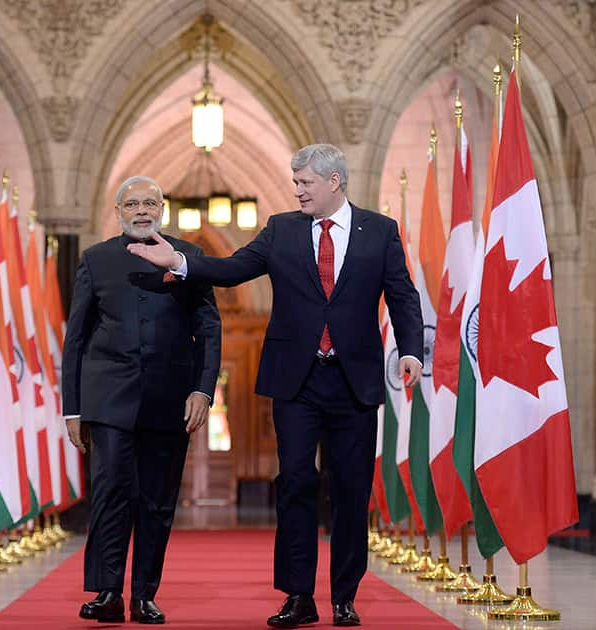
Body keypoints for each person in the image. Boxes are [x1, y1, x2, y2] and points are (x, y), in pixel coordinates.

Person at [127, 144, 423, 628]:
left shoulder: (381, 232)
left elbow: (403, 296)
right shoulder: (282, 230)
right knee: (296, 483)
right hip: (296, 381)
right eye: (295, 182)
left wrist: (410, 349)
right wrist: (178, 260)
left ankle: (345, 596)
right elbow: (231, 269)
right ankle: (298, 597)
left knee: (349, 491)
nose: (297, 190)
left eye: (305, 182)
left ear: (334, 182)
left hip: (354, 382)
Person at [62, 176, 222, 625]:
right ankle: (108, 592)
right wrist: (72, 408)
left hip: (170, 398)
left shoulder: (187, 257)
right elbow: (75, 338)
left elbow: (209, 328)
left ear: (162, 209)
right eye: (131, 203)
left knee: (156, 499)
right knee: (111, 490)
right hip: (108, 399)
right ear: (118, 212)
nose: (140, 210)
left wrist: (203, 389)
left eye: (149, 203)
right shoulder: (95, 260)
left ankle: (144, 595)